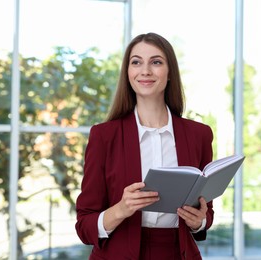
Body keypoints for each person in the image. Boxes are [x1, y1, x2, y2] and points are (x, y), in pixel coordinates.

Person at [75, 32, 214, 260]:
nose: (145, 71)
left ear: (169, 73)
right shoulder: (104, 136)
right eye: (136, 62)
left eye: (156, 62)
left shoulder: (199, 134)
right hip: (117, 253)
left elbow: (205, 210)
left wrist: (200, 222)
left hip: (178, 253)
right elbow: (84, 226)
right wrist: (121, 209)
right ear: (128, 73)